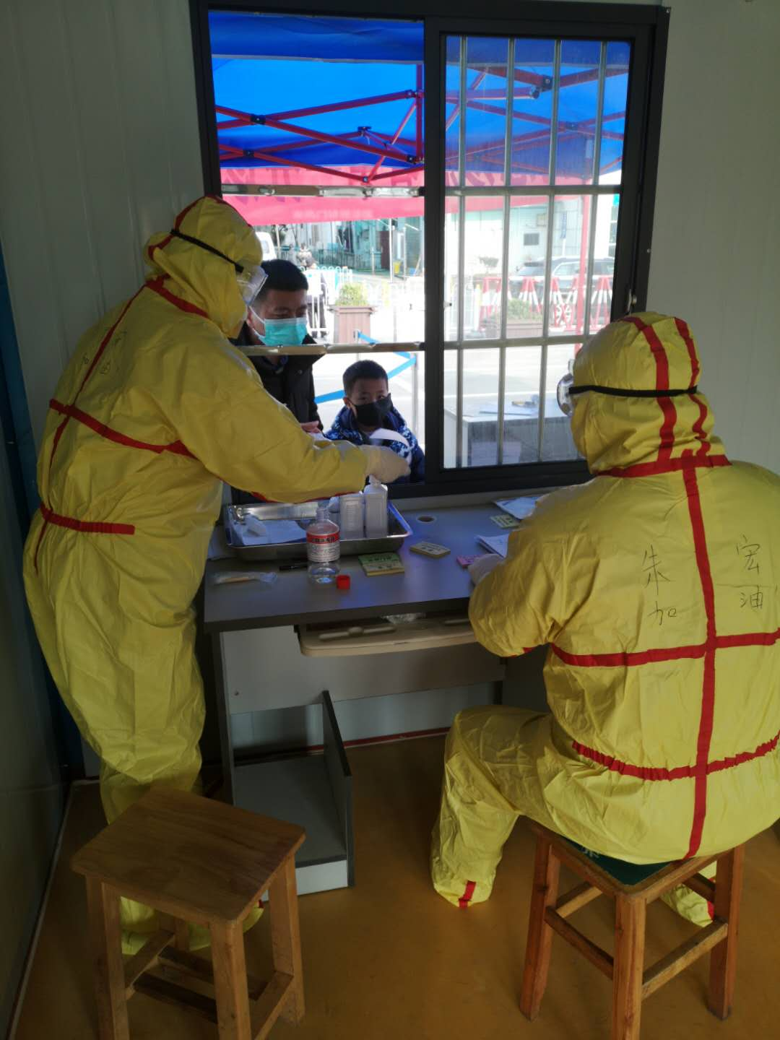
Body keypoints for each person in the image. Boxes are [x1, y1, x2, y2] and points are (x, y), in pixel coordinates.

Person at [22, 195, 409, 952]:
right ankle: (167, 920)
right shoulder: (191, 351)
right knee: (156, 752)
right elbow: (280, 466)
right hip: (116, 577)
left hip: (82, 559)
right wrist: (366, 460)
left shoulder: (130, 319)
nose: (249, 301)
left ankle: (161, 901)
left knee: (137, 746)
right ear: (222, 275)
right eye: (247, 285)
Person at [431, 312, 780, 921]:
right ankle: (697, 900)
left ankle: (461, 885)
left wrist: (488, 574)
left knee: (471, 738)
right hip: (755, 792)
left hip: (622, 810)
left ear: (596, 409)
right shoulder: (770, 494)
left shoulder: (566, 524)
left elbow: (501, 636)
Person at [231, 258, 321, 433]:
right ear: (249, 315)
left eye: (301, 313)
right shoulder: (230, 362)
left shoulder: (303, 354)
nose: (294, 322)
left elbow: (311, 415)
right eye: (281, 314)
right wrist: (285, 435)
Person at [324, 359, 425, 483]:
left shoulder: (405, 439)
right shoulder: (334, 443)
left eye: (380, 397)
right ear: (348, 403)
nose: (374, 404)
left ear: (388, 397)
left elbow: (423, 478)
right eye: (364, 398)